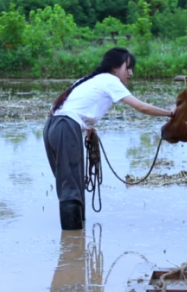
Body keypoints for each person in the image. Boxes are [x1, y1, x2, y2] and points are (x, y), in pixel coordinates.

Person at [43, 47, 173, 230]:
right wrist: (170, 113)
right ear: (115, 67)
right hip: (66, 127)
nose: (131, 73)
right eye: (128, 67)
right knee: (71, 187)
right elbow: (142, 108)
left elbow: (75, 108)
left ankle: (75, 244)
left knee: (71, 184)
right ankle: (72, 245)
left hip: (53, 127)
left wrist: (88, 130)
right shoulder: (110, 80)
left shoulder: (88, 81)